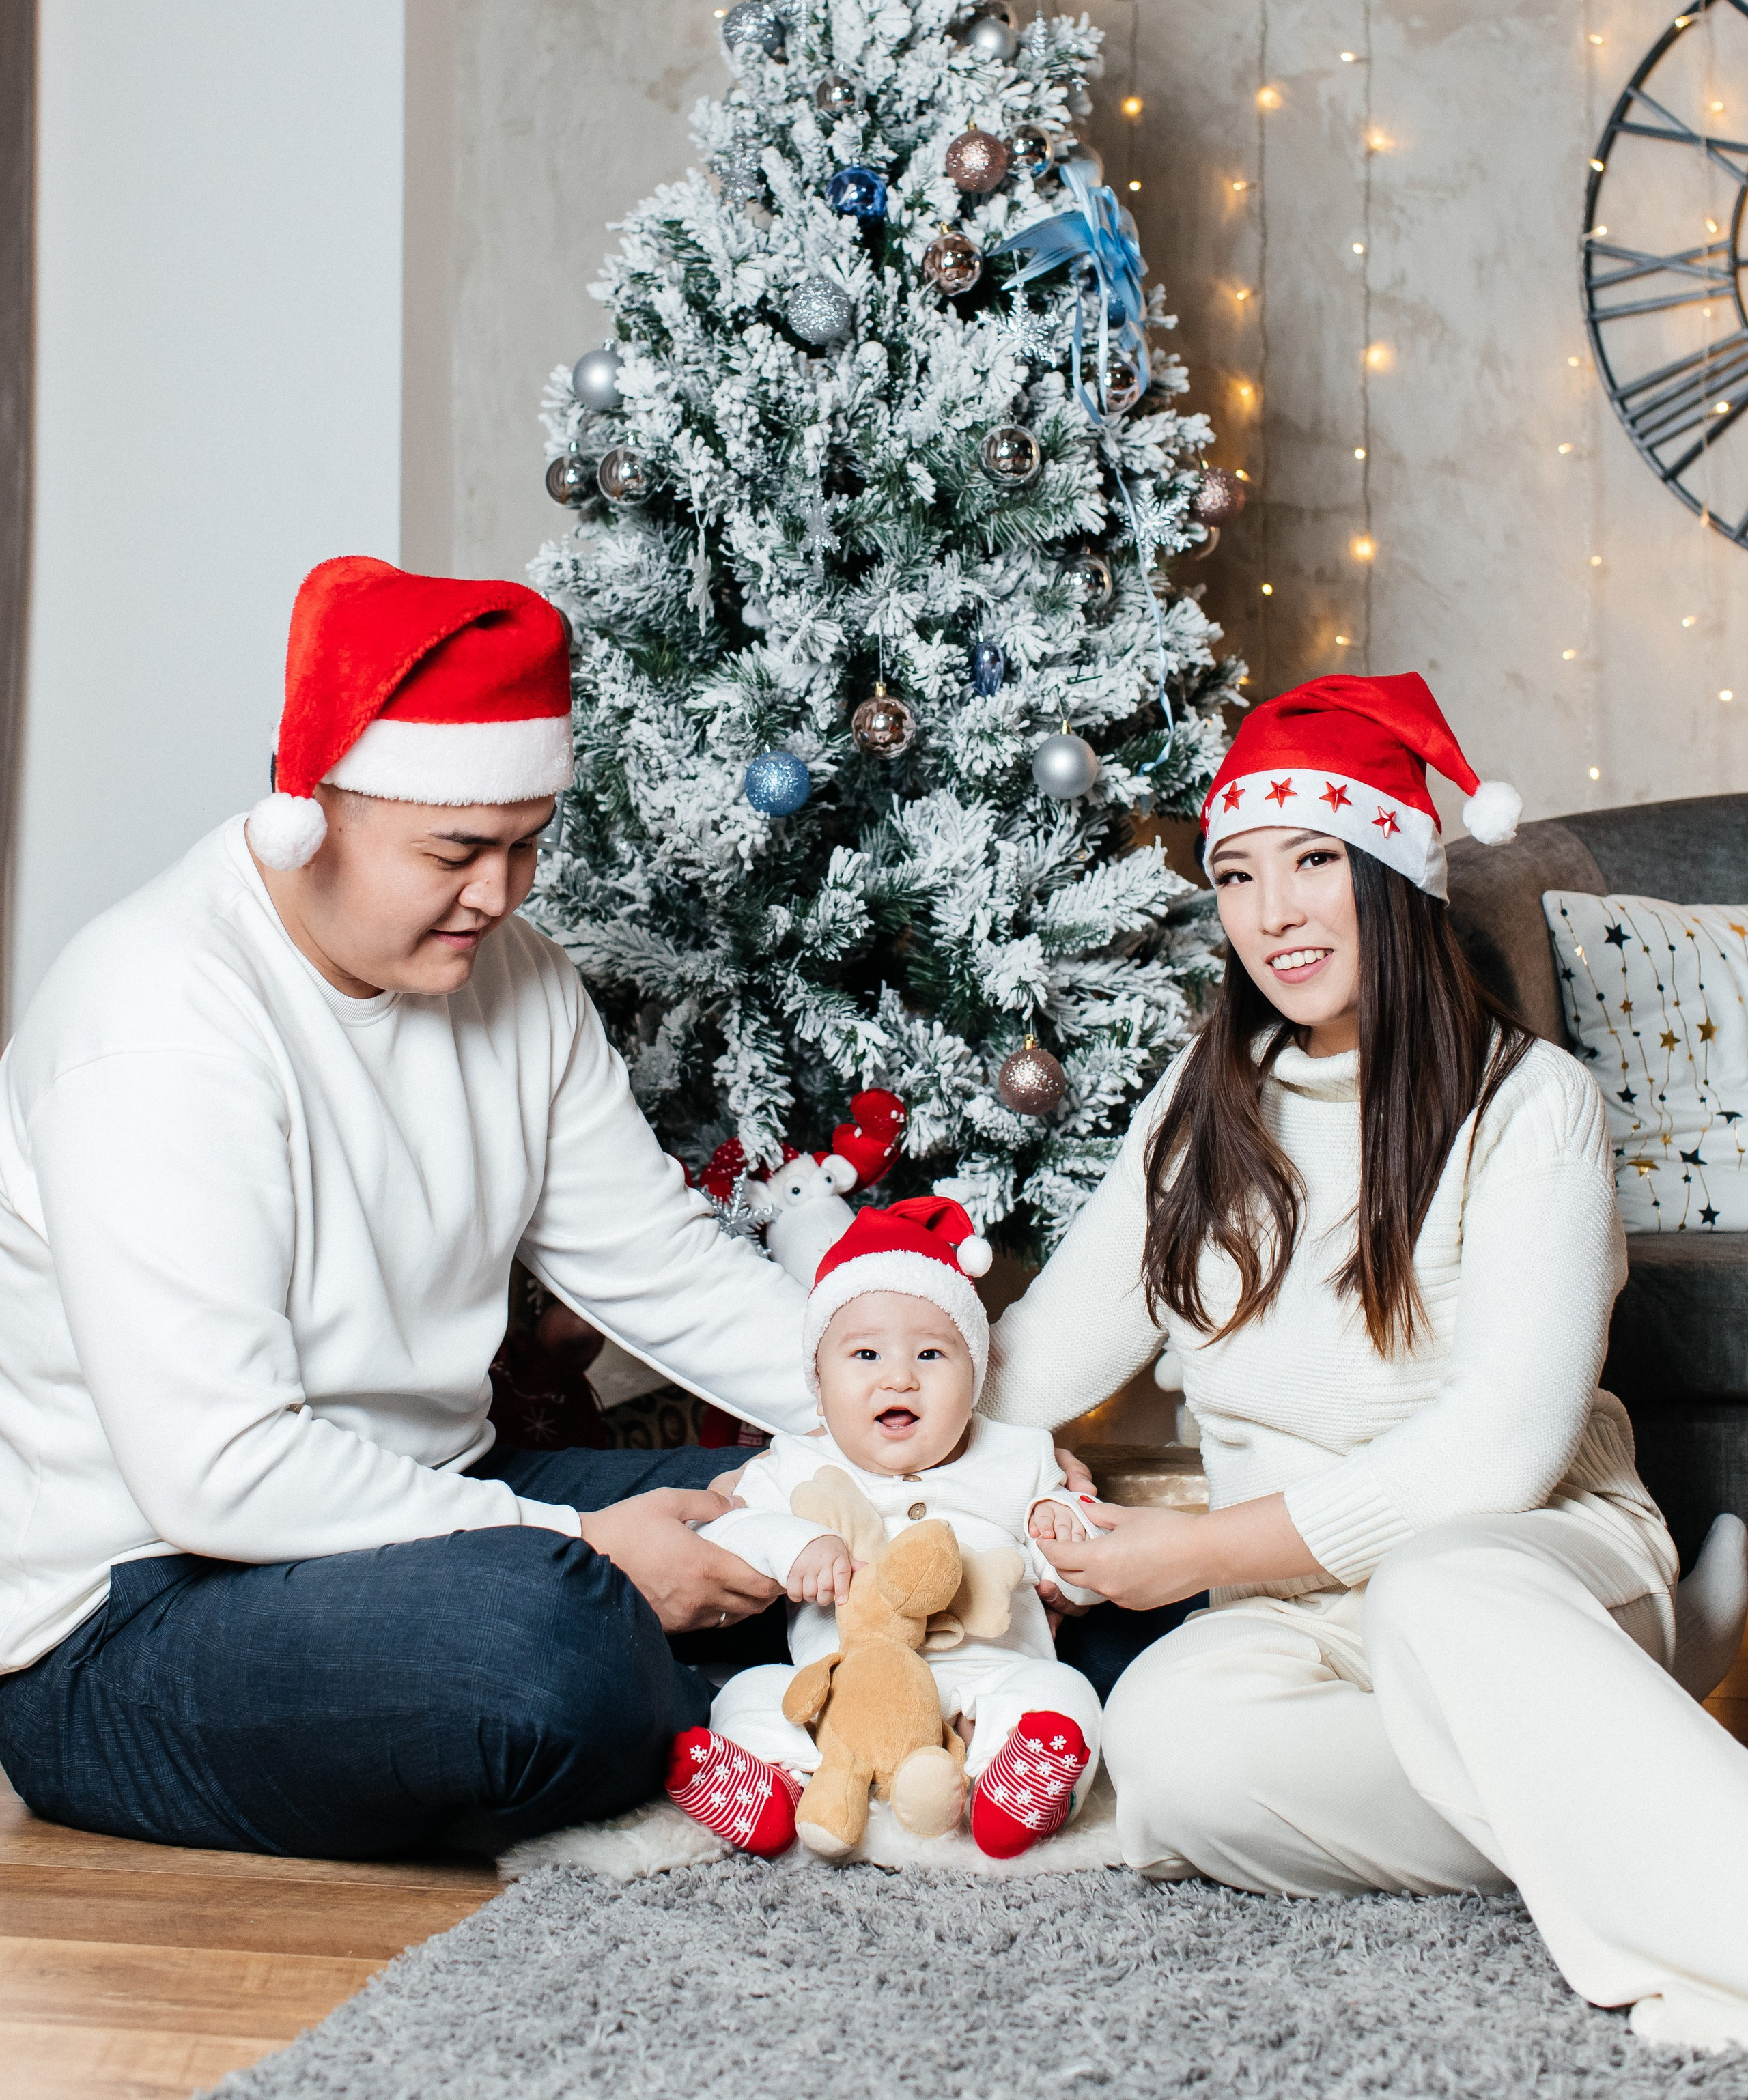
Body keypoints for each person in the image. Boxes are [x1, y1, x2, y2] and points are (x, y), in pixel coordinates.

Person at [0, 555, 824, 1860]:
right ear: (310, 812)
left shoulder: (519, 981)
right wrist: (594, 1557)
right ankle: (816, 1697)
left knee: (855, 1516)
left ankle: (798, 1697)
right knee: (540, 1654)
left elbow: (663, 1266)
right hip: (137, 1618)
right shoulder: (157, 1020)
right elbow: (218, 1475)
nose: (498, 895)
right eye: (456, 852)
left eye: (526, 846)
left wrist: (918, 1446)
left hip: (448, 1505)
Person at [981, 672, 1748, 2054]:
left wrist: (1195, 1547)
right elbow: (1036, 1361)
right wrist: (880, 1404)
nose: (1270, 914)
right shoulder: (1196, 1108)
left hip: (1520, 1563)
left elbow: (1501, 1449)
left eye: (1312, 861)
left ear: (1391, 870)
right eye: (1233, 873)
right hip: (1298, 1617)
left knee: (1432, 1598)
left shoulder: (1533, 1107)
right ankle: (1628, 1750)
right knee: (1166, 1751)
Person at [665, 1196, 1104, 1861]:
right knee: (751, 1692)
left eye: (931, 1355)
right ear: (819, 1382)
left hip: (983, 1688)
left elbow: (1087, 1574)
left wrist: (1067, 1539)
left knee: (1065, 1696)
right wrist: (795, 1545)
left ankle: (1009, 1786)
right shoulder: (795, 1461)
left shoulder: (1021, 1456)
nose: (898, 1376)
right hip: (840, 1696)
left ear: (975, 1372)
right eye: (865, 1354)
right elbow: (725, 1536)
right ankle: (777, 1785)